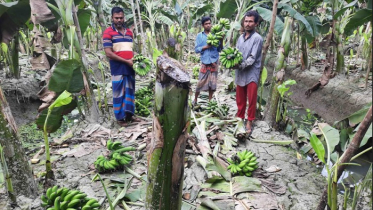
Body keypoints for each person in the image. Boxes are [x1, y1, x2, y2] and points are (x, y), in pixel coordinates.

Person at [103, 7, 140, 126]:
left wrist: (136, 59)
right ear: (112, 18)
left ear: (124, 18)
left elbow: (130, 49)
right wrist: (126, 61)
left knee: (130, 90)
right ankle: (120, 119)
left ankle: (129, 115)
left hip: (130, 66)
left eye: (121, 18)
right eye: (116, 18)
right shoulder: (108, 32)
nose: (119, 20)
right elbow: (109, 53)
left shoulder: (129, 32)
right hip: (117, 66)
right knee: (118, 92)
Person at [234, 10, 263, 135]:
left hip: (251, 72)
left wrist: (240, 65)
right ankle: (240, 117)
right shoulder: (240, 38)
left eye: (251, 21)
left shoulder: (257, 39)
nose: (248, 24)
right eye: (246, 21)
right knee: (240, 98)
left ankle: (249, 121)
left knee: (251, 99)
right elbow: (235, 52)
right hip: (240, 72)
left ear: (256, 23)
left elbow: (252, 58)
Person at [193, 16, 223, 105]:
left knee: (212, 83)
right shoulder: (200, 36)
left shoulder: (216, 35)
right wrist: (206, 46)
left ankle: (210, 101)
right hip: (205, 61)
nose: (208, 25)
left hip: (214, 61)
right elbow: (196, 49)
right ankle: (195, 99)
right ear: (203, 25)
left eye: (209, 23)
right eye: (206, 24)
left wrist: (221, 40)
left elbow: (220, 49)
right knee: (200, 81)